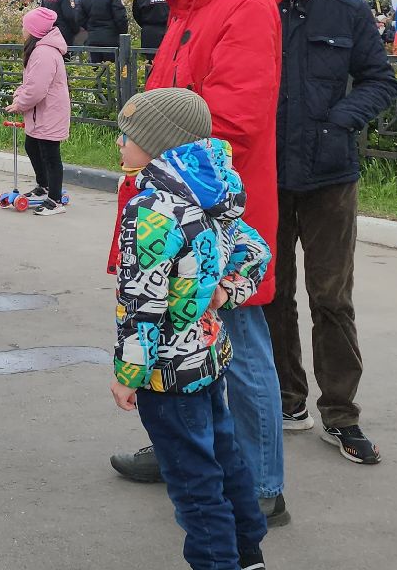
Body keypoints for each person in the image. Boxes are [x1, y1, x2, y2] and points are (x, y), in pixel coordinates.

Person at [106, 0, 290, 526]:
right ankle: (184, 444)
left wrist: (170, 176)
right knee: (187, 335)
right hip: (179, 194)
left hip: (207, 204)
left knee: (237, 334)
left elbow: (234, 117)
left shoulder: (242, 2)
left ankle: (263, 482)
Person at [260, 0, 397, 465]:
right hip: (264, 176)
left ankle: (340, 414)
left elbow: (379, 80)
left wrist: (342, 119)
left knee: (332, 299)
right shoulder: (251, 7)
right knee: (270, 292)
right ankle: (285, 398)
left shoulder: (346, 10)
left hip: (329, 178)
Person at [112, 87, 273, 570]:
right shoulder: (212, 189)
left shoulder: (153, 210)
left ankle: (216, 561)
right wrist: (227, 288)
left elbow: (142, 302)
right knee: (224, 457)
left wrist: (128, 374)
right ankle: (248, 554)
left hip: (167, 372)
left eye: (129, 135)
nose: (120, 143)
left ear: (159, 143)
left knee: (192, 481)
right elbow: (256, 248)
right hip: (209, 357)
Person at [7, 6, 71, 216]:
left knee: (51, 155)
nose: (22, 31)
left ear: (33, 30)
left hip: (49, 112)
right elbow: (30, 83)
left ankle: (55, 199)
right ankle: (43, 187)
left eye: (24, 27)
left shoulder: (43, 52)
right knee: (32, 146)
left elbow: (36, 89)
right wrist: (19, 96)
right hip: (41, 112)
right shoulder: (39, 49)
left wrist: (19, 104)